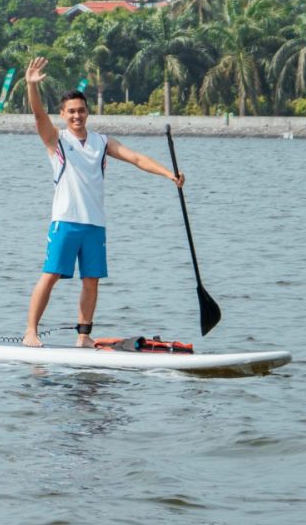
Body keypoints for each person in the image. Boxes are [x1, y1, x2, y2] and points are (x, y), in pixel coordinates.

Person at [21, 56, 184, 348]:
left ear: (88, 113)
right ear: (63, 114)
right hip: (66, 220)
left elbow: (136, 158)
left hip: (95, 224)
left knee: (92, 280)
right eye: (71, 111)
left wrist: (169, 175)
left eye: (81, 111)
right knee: (51, 275)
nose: (77, 116)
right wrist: (31, 86)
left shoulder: (102, 142)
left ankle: (83, 335)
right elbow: (37, 116)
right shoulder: (56, 141)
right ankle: (30, 332)